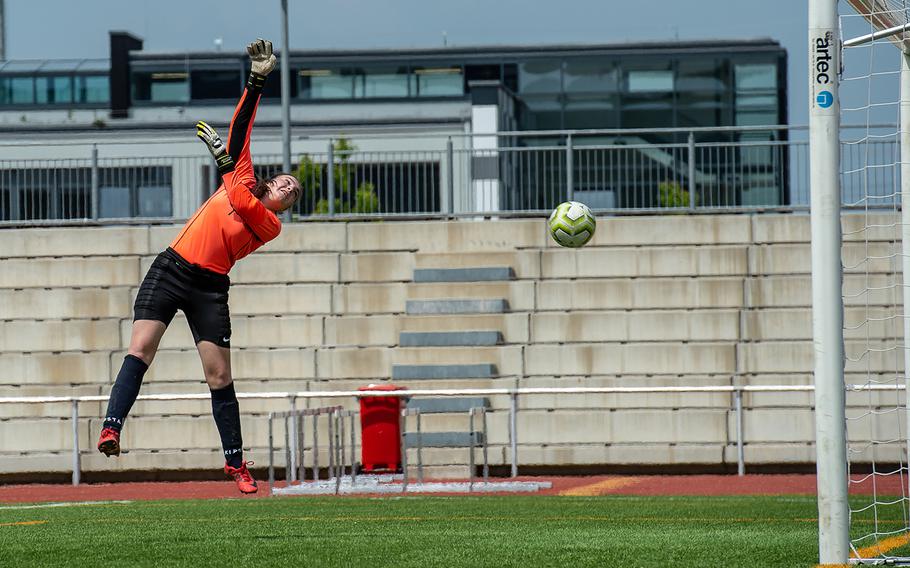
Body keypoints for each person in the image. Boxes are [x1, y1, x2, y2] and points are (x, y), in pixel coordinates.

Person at [96, 38, 302, 494]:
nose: (290, 188)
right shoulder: (244, 176)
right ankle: (111, 427)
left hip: (210, 286)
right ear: (273, 180)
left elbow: (240, 199)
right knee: (140, 350)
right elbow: (241, 127)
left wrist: (225, 163)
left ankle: (235, 464)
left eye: (294, 193)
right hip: (172, 268)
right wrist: (258, 79)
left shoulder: (269, 224)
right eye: (287, 182)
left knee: (220, 375)